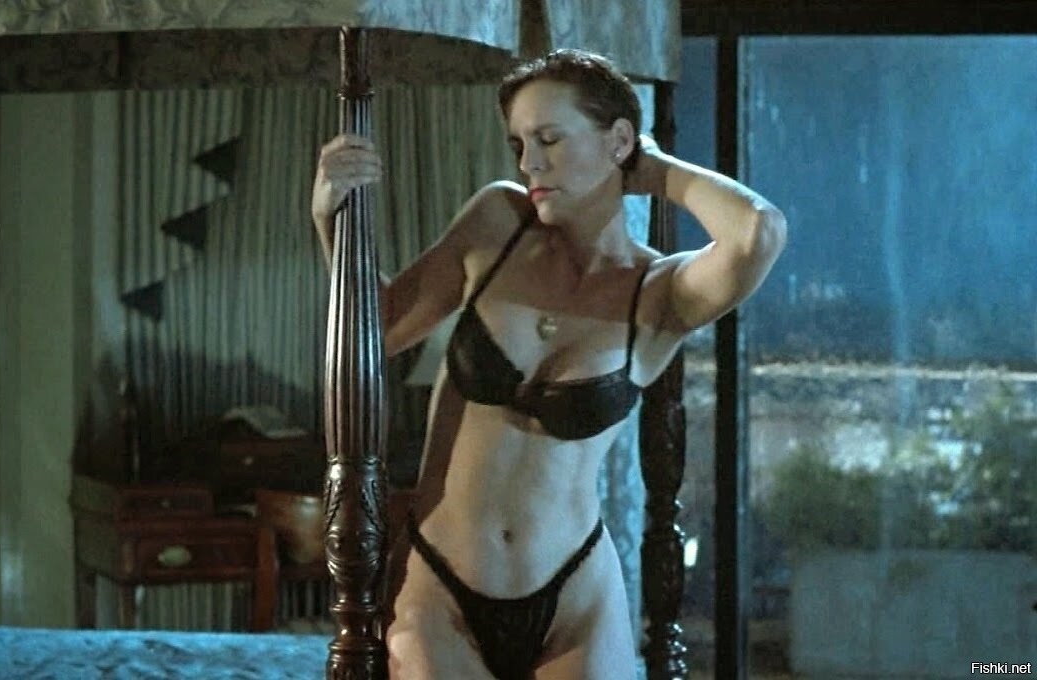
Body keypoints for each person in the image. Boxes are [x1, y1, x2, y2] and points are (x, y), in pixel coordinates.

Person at [311, 49, 786, 680]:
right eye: (519, 144)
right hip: (440, 585)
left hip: (574, 596)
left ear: (619, 140)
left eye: (550, 140)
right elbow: (383, 329)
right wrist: (329, 218)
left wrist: (656, 171)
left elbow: (758, 232)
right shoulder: (497, 223)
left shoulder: (660, 295)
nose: (529, 163)